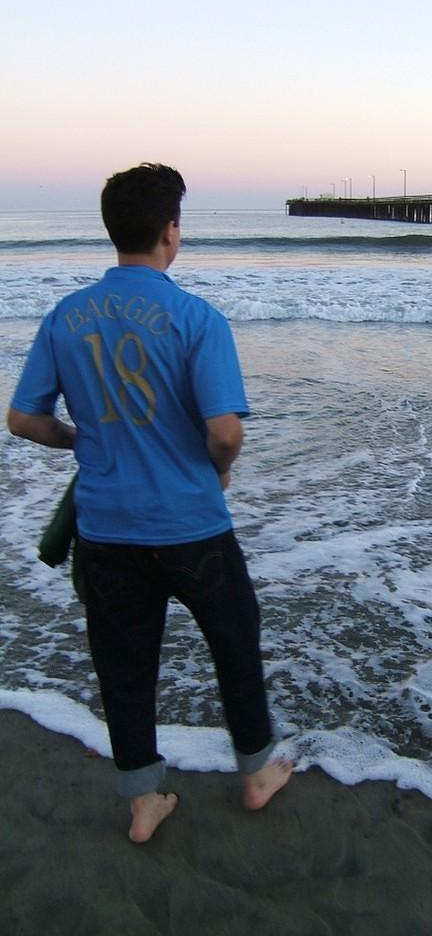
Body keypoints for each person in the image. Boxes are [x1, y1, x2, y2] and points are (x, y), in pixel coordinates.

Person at [7, 163, 292, 842]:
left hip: (106, 529)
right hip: (191, 522)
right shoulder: (197, 318)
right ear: (171, 232)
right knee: (234, 639)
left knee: (124, 664)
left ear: (114, 230)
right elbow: (225, 431)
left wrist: (81, 439)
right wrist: (216, 471)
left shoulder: (66, 316)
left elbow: (23, 420)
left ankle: (143, 801)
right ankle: (255, 771)